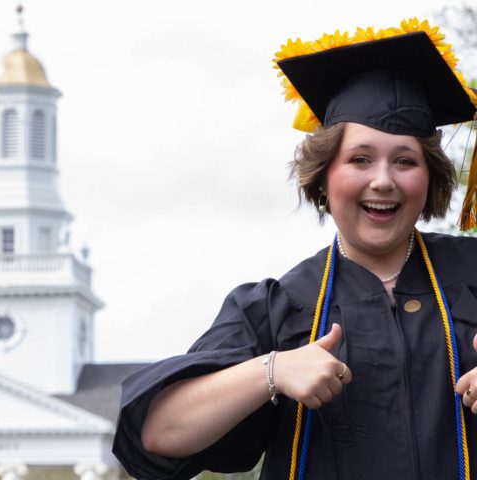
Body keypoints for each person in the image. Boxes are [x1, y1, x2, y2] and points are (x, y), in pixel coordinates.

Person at [113, 19, 477, 480]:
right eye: (360, 159)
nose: (383, 180)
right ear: (324, 177)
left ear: (430, 179)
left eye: (405, 160)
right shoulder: (277, 308)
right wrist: (273, 371)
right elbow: (160, 433)